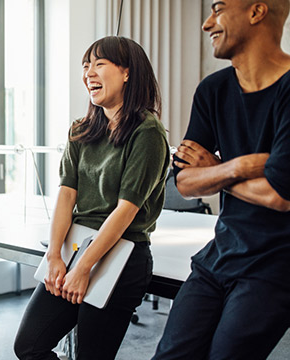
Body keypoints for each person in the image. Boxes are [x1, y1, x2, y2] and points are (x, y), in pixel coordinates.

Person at [14, 36, 169, 360]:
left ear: (127, 73)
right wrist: (54, 255)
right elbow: (65, 197)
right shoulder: (81, 130)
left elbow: (125, 212)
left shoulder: (147, 132)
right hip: (75, 247)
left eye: (99, 64)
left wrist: (84, 268)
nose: (89, 74)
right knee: (29, 346)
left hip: (121, 255)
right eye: (86, 66)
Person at [154, 1, 290, 358]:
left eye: (218, 9)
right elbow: (183, 182)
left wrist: (213, 169)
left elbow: (280, 194)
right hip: (219, 256)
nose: (206, 23)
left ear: (256, 12)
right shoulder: (213, 90)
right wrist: (240, 166)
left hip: (275, 266)